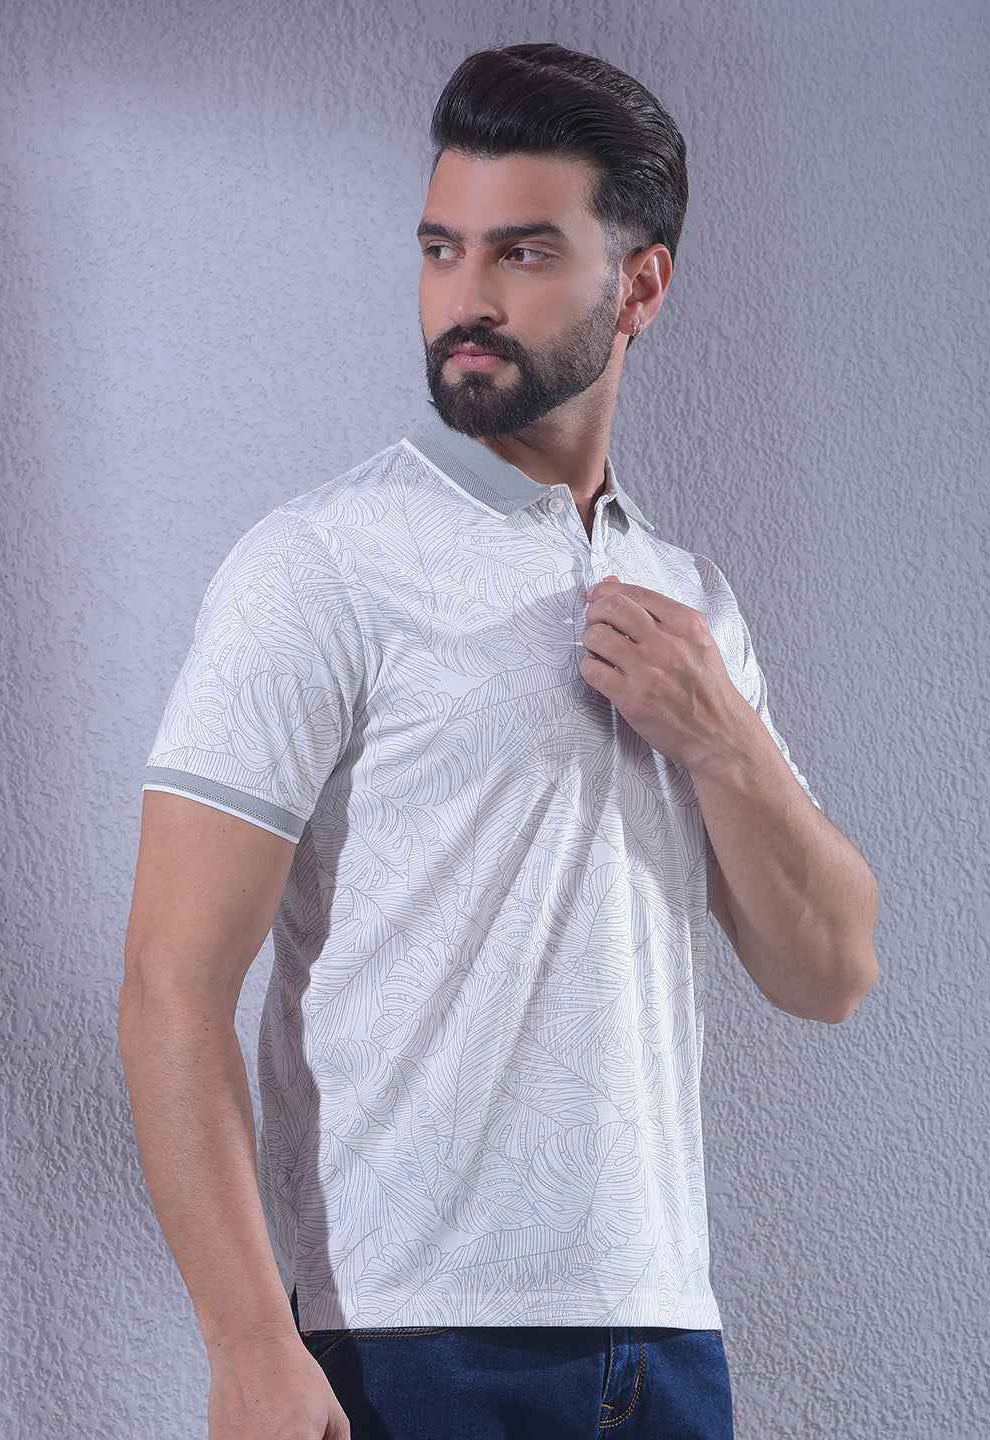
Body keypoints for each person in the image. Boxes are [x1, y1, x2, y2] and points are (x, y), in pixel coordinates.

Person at [119, 42, 878, 1440]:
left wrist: (721, 739)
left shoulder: (691, 600)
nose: (465, 297)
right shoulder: (319, 565)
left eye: (522, 253)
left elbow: (828, 970)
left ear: (639, 287)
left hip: (663, 1337)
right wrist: (248, 1345)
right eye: (441, 249)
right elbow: (173, 980)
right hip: (403, 1339)